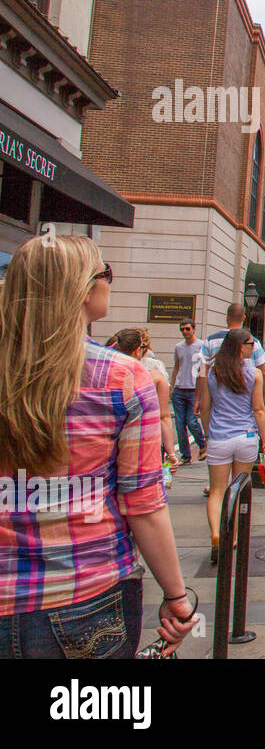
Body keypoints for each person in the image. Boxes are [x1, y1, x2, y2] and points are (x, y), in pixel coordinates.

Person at [0, 236, 197, 657]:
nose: (110, 281)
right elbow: (143, 503)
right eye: (105, 273)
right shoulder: (122, 378)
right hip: (86, 591)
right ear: (86, 290)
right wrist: (176, 593)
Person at [200, 328, 265, 565]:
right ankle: (233, 535)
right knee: (239, 489)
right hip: (246, 437)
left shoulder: (213, 372)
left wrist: (207, 435)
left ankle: (216, 532)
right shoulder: (254, 374)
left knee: (217, 490)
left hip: (219, 437)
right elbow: (259, 410)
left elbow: (205, 408)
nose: (253, 347)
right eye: (250, 344)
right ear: (239, 346)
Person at [111, 329, 180, 469]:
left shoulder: (104, 375)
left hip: (109, 447)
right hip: (144, 448)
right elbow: (164, 417)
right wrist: (171, 453)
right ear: (138, 350)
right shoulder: (155, 377)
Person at [171, 318, 207, 464]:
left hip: (194, 389)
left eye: (187, 329)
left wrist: (203, 391)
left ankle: (203, 445)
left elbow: (204, 369)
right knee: (180, 424)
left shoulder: (202, 346)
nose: (185, 332)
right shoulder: (178, 347)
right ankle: (186, 456)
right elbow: (176, 366)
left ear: (194, 329)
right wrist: (171, 386)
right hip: (179, 389)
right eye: (182, 329)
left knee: (191, 421)